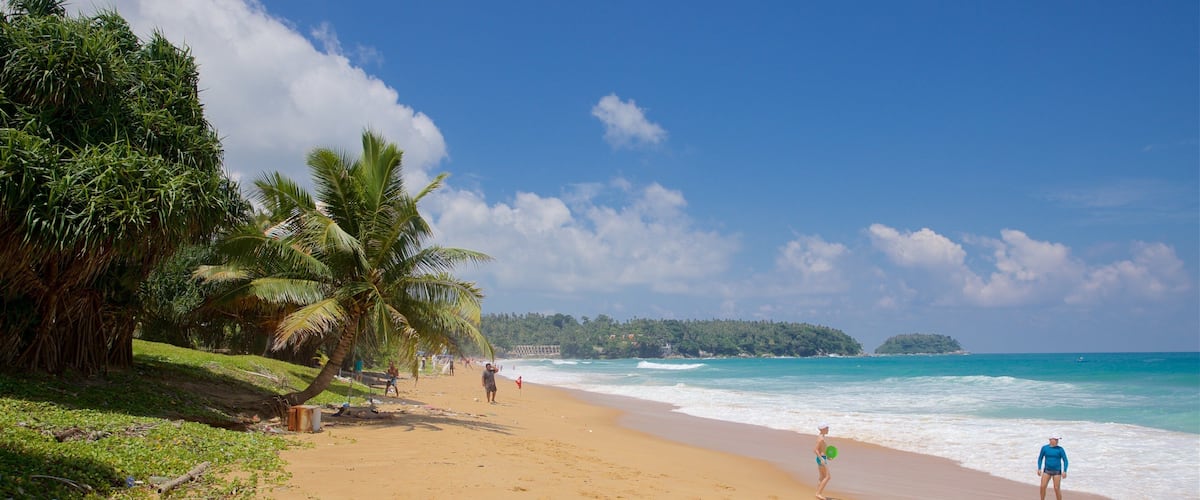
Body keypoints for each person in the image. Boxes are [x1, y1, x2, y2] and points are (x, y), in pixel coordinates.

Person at [1037, 434, 1069, 500]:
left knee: (1056, 488)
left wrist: (1065, 471)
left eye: (1057, 440)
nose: (1057, 441)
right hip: (1047, 471)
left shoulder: (1060, 449)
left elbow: (1065, 460)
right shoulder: (1045, 448)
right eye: (1056, 439)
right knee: (1042, 486)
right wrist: (1039, 468)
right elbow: (1040, 458)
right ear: (1050, 440)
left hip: (1057, 471)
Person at [813, 423, 831, 500]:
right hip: (821, 458)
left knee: (822, 477)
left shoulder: (821, 437)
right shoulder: (821, 438)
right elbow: (815, 450)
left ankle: (818, 493)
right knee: (828, 477)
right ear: (823, 429)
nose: (828, 429)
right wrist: (822, 459)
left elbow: (822, 449)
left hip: (822, 458)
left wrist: (828, 457)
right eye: (827, 428)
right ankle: (818, 494)